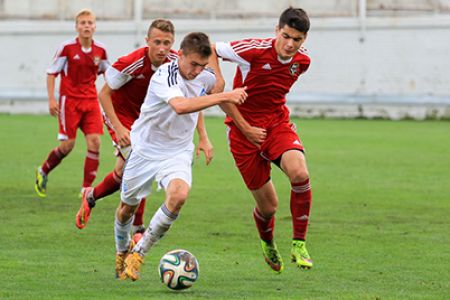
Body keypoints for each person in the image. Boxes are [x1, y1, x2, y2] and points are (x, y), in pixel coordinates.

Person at [114, 32, 248, 281]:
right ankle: (122, 250)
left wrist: (206, 136)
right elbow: (182, 105)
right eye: (193, 64)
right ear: (181, 55)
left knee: (178, 196)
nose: (197, 71)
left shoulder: (204, 76)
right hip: (145, 149)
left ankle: (139, 254)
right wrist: (224, 94)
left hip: (177, 151)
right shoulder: (165, 75)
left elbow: (205, 101)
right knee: (126, 210)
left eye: (202, 66)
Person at [74, 19, 201, 238]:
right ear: (147, 41)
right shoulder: (131, 62)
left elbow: (191, 100)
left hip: (146, 119)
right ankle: (137, 229)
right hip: (121, 115)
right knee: (140, 160)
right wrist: (119, 127)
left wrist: (204, 137)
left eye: (167, 43)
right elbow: (103, 94)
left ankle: (91, 196)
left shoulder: (176, 64)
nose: (162, 48)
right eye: (157, 42)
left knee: (123, 172)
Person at [211, 7, 313, 272]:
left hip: (276, 125)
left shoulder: (302, 62)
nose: (290, 44)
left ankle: (299, 244)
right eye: (286, 36)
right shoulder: (252, 50)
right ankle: (267, 242)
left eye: (297, 39)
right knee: (269, 207)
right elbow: (212, 48)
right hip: (242, 134)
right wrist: (219, 79)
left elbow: (274, 92)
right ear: (277, 30)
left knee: (299, 173)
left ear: (304, 40)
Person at [34, 9, 109, 198]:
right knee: (68, 145)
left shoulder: (101, 50)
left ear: (95, 26)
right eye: (82, 23)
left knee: (95, 142)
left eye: (90, 22)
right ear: (76, 27)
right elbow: (51, 72)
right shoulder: (66, 48)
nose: (86, 26)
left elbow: (109, 75)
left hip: (91, 101)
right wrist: (52, 99)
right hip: (70, 102)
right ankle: (43, 171)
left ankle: (86, 188)